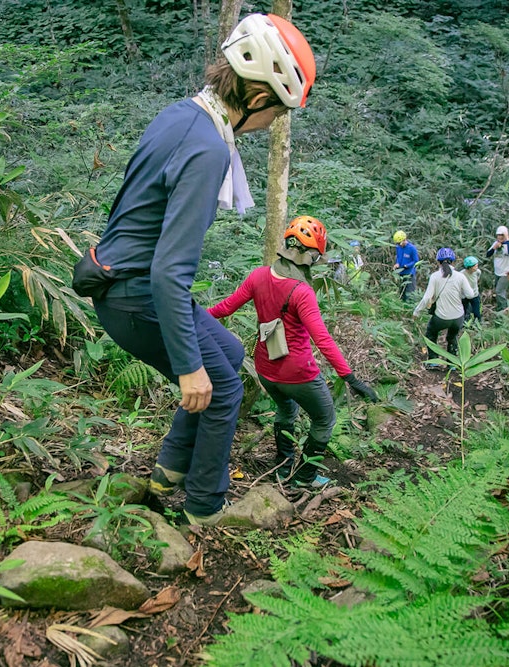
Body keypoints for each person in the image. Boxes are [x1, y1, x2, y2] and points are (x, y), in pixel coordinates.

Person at [88, 14, 316, 526]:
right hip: (138, 295)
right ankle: (204, 508)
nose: (271, 124)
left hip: (122, 282)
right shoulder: (209, 147)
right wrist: (190, 369)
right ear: (258, 98)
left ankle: (169, 471)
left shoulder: (182, 114)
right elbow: (171, 270)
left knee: (232, 351)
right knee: (222, 387)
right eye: (276, 112)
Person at [207, 216, 377, 488]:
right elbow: (322, 339)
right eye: (315, 256)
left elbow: (225, 307)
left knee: (286, 410)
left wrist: (192, 316)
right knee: (325, 418)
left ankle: (283, 467)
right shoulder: (301, 291)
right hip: (298, 373)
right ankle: (304, 478)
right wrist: (351, 378)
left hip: (265, 369)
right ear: (307, 255)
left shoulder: (258, 275)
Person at [413, 248, 477, 363]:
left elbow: (427, 297)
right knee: (452, 338)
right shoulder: (460, 276)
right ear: (453, 261)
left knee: (431, 334)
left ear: (438, 262)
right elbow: (470, 295)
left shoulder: (435, 276)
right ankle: (452, 364)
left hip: (441, 317)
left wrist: (416, 311)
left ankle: (434, 361)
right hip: (458, 316)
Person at [486, 225, 509, 310]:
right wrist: (494, 248)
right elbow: (488, 254)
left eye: (502, 235)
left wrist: (507, 240)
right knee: (500, 291)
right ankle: (500, 307)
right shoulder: (495, 244)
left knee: (499, 291)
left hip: (506, 273)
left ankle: (504, 309)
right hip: (497, 272)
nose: (500, 237)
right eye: (498, 235)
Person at [392, 230, 420, 301]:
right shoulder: (398, 247)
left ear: (404, 240)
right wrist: (397, 263)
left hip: (409, 273)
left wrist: (407, 265)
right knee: (402, 293)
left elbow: (416, 261)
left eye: (399, 243)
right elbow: (399, 257)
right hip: (401, 273)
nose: (399, 245)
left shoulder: (412, 248)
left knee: (410, 293)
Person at [461, 256, 482, 325]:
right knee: (464, 311)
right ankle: (464, 324)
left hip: (475, 294)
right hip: (464, 295)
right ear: (469, 267)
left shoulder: (477, 272)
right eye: (475, 266)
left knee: (476, 311)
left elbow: (477, 279)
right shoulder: (461, 274)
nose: (476, 267)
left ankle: (477, 324)